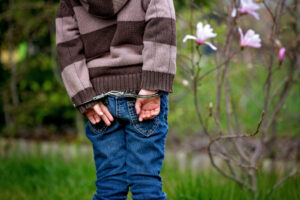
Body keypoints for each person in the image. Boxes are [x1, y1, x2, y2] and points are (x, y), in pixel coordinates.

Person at [55, 0, 177, 199]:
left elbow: (67, 49)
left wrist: (85, 97)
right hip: (143, 96)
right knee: (146, 182)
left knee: (109, 184)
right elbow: (162, 26)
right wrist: (151, 87)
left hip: (100, 102)